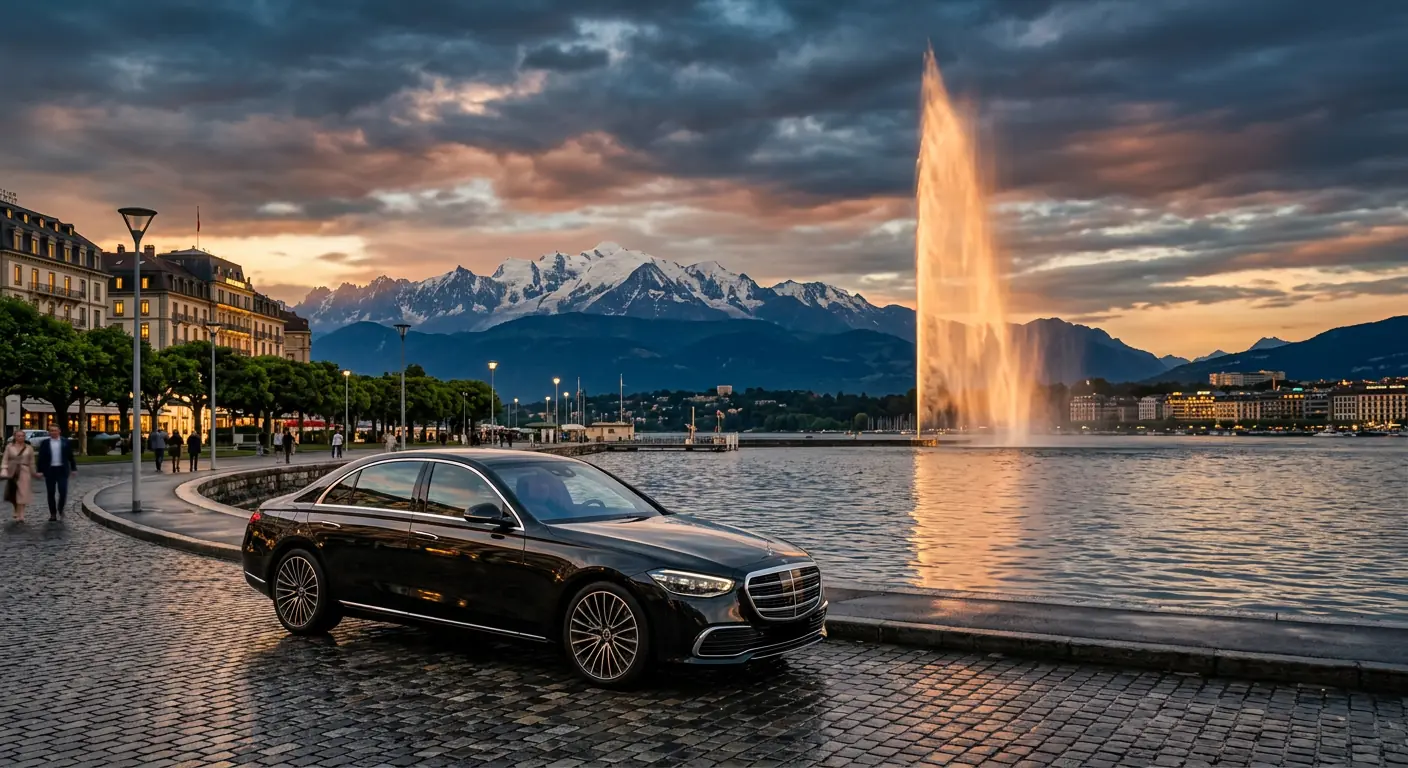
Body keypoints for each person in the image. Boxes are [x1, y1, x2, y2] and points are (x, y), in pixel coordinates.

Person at [36, 424, 76, 521]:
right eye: (51, 431)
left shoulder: (65, 442)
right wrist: (39, 470)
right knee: (51, 493)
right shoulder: (45, 443)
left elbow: (70, 456)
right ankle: (53, 513)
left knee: (63, 491)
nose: (53, 432)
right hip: (50, 471)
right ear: (49, 432)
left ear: (59, 431)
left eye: (55, 430)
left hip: (62, 470)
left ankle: (60, 508)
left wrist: (73, 468)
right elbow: (41, 457)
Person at [2, 428, 35, 523]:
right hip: (13, 471)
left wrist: (34, 472)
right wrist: (4, 469)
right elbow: (5, 459)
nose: (21, 438)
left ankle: (21, 514)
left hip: (24, 471)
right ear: (15, 437)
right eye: (19, 436)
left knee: (23, 493)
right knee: (13, 492)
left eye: (22, 436)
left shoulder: (29, 448)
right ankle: (16, 508)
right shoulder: (9, 447)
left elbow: (31, 461)